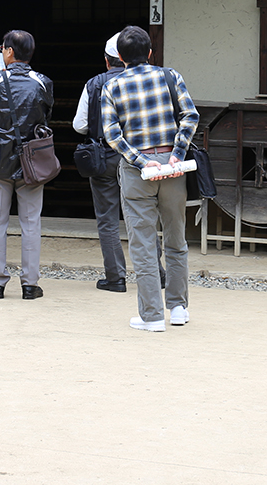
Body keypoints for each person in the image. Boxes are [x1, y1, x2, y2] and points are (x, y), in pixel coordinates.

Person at [100, 25, 199, 333]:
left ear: (119, 56)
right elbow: (190, 116)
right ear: (151, 52)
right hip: (172, 165)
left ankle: (152, 315)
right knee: (175, 237)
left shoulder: (112, 87)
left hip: (137, 169)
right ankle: (179, 307)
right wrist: (176, 154)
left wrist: (141, 160)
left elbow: (112, 134)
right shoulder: (171, 76)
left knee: (143, 243)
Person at [0, 29, 53, 300]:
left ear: (8, 51)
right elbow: (47, 111)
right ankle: (30, 284)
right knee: (31, 222)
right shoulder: (42, 82)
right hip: (32, 162)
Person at [72, 33, 129, 293]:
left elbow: (79, 125)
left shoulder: (94, 84)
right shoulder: (141, 80)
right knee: (144, 216)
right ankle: (157, 273)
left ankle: (116, 278)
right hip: (137, 159)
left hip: (104, 157)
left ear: (106, 61)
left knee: (107, 219)